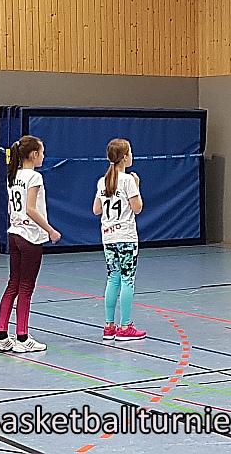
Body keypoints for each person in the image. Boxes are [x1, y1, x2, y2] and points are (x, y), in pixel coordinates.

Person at [0, 135, 61, 353]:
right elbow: (30, 208)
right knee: (26, 287)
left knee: (13, 284)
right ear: (33, 154)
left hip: (14, 233)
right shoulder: (34, 177)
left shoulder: (13, 175)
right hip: (30, 236)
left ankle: (1, 335)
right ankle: (22, 337)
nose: (44, 156)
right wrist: (50, 230)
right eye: (42, 152)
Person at [93, 138, 146, 341]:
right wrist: (137, 187)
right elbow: (137, 208)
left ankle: (109, 326)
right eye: (130, 152)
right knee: (127, 279)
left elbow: (96, 209)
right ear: (124, 157)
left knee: (112, 277)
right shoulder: (128, 180)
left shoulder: (103, 181)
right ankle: (125, 326)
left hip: (108, 237)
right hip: (126, 236)